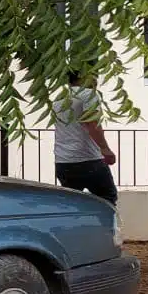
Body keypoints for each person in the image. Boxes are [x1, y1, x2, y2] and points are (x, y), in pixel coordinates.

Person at [52, 71, 118, 204]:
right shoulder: (88, 94)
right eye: (93, 76)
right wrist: (105, 149)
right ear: (82, 77)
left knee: (72, 204)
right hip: (88, 159)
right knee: (107, 199)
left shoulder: (59, 98)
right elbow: (92, 123)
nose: (97, 80)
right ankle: (103, 225)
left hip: (63, 161)